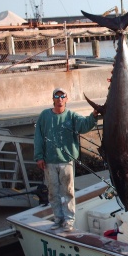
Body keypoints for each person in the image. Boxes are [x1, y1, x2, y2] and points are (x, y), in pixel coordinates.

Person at [34, 88, 98, 232]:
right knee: (53, 192)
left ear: (66, 99)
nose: (60, 99)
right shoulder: (44, 116)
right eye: (57, 96)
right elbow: (38, 136)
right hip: (49, 161)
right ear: (53, 99)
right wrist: (39, 156)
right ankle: (58, 219)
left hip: (67, 161)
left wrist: (94, 115)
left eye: (63, 96)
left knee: (68, 192)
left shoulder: (72, 116)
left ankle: (69, 220)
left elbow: (84, 125)